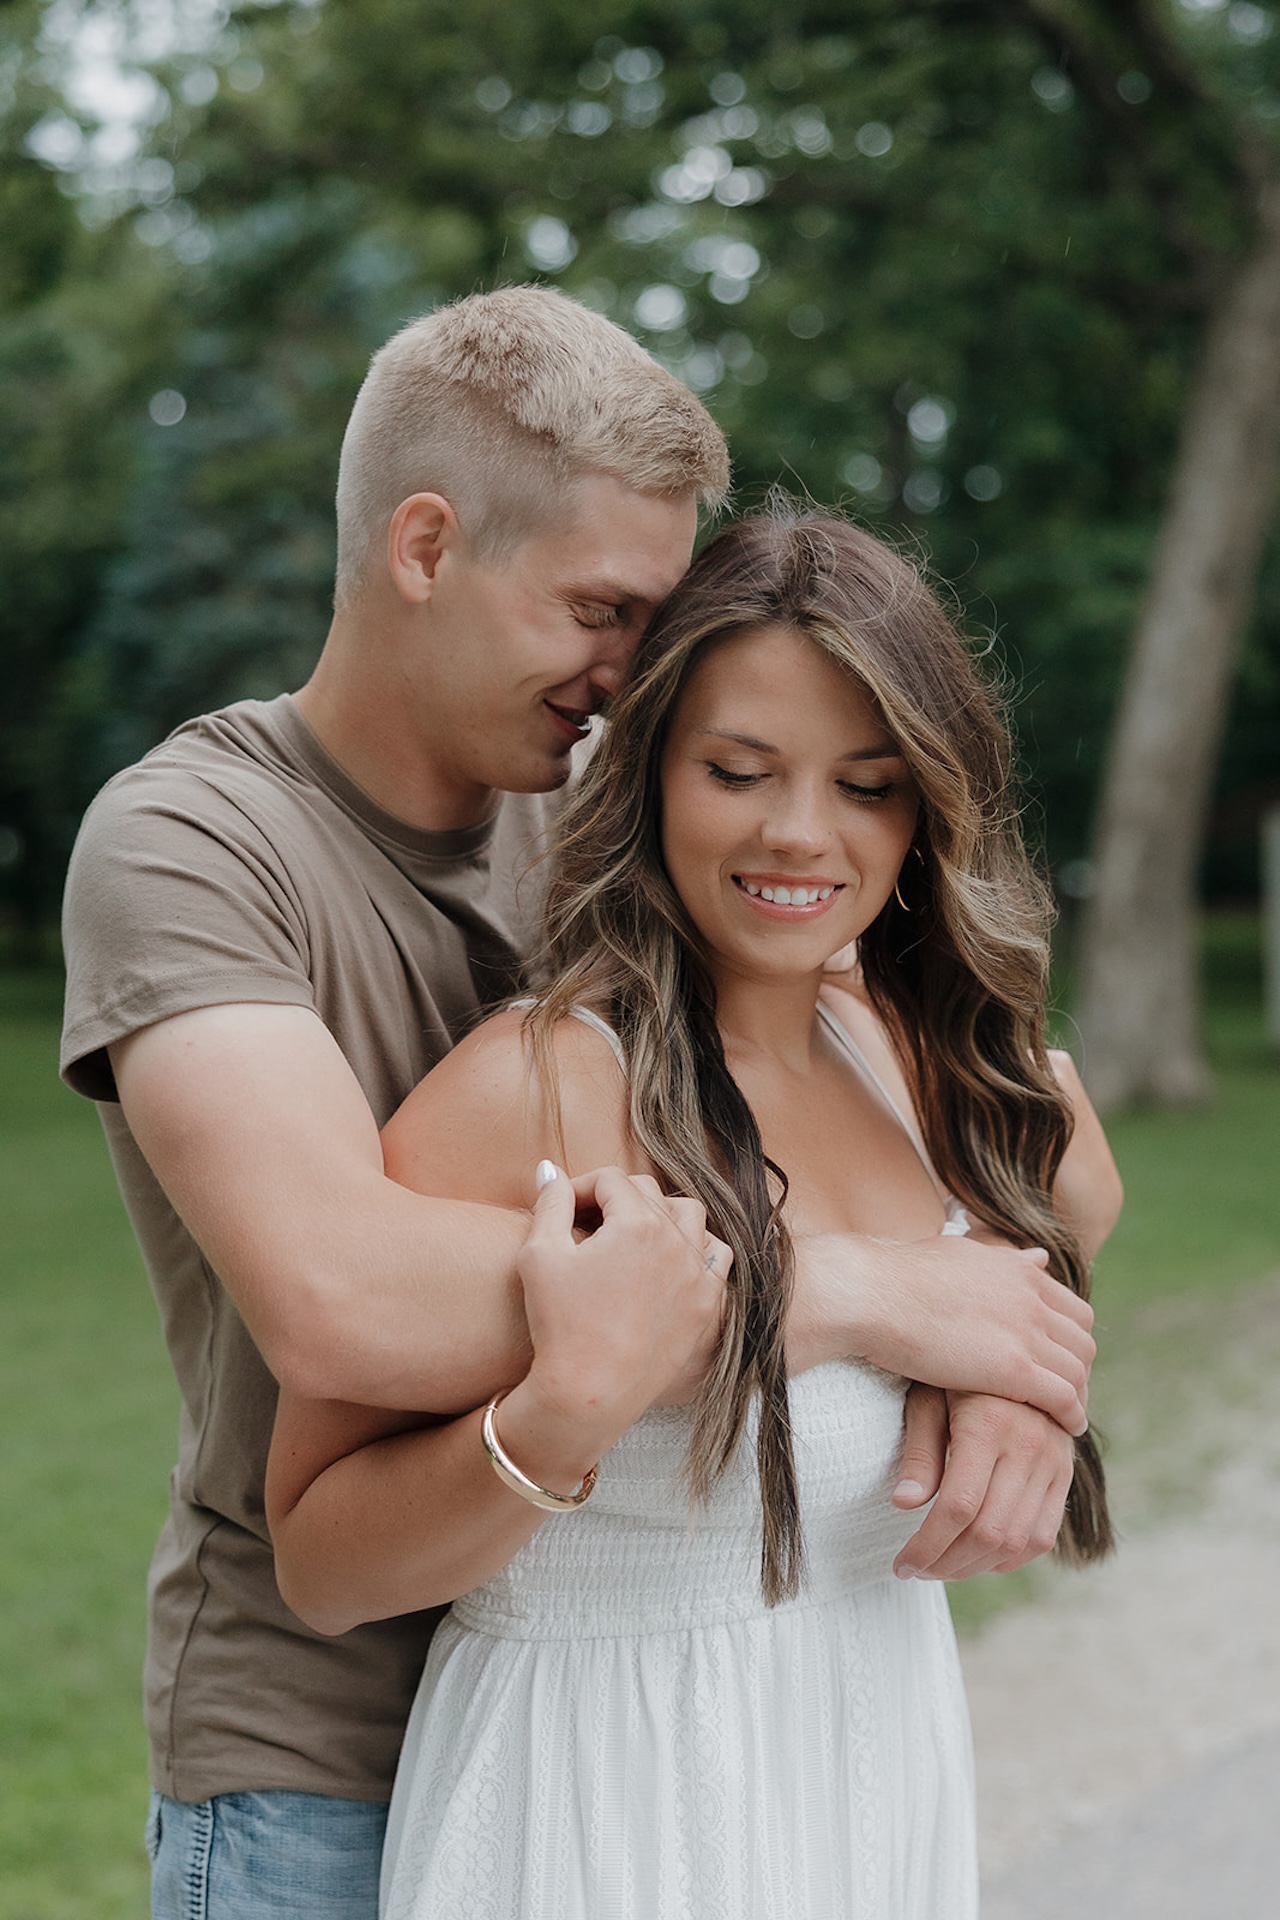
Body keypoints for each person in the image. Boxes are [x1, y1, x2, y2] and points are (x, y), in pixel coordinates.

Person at [59, 287, 1102, 1919]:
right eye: (605, 608)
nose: (636, 672)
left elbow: (1015, 1157)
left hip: (729, 1718)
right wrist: (856, 1296)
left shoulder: (614, 836)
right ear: (425, 546)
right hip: (318, 1752)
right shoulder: (194, 843)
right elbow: (337, 1299)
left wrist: (1003, 1365)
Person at [266, 507, 1120, 1919]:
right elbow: (322, 1563)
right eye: (740, 769)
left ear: (927, 807)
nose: (801, 833)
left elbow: (1079, 1196)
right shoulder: (531, 1088)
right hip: (600, 1808)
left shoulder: (918, 1061)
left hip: (868, 1773)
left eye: (867, 784)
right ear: (652, 766)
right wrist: (559, 1422)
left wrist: (1018, 1382)